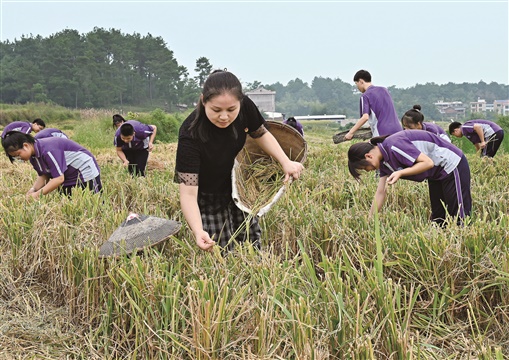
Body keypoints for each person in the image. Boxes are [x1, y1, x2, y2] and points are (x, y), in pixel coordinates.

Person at [174, 70, 304, 252]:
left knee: (251, 240)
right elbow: (187, 193)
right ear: (203, 100)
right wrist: (197, 231)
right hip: (208, 193)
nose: (224, 117)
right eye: (216, 110)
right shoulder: (190, 134)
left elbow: (260, 134)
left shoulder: (246, 107)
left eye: (231, 109)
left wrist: (285, 161)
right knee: (219, 247)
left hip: (240, 184)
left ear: (240, 101)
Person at [347, 130, 471, 227]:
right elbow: (380, 192)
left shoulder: (394, 145)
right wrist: (370, 220)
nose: (368, 170)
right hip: (435, 174)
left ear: (368, 156)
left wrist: (400, 173)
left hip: (451, 163)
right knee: (439, 217)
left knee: (459, 213)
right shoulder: (384, 163)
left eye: (365, 167)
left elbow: (428, 163)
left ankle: (463, 243)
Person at [2, 131, 102, 198]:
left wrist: (37, 195)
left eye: (18, 155)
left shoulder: (48, 150)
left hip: (84, 171)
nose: (19, 159)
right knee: (67, 203)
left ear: (26, 146)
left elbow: (58, 179)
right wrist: (33, 190)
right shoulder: (33, 156)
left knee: (93, 201)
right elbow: (44, 175)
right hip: (68, 175)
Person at [345, 70, 402, 140]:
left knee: (373, 150)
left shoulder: (365, 96)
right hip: (398, 130)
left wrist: (351, 132)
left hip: (382, 132)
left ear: (361, 81)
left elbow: (365, 117)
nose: (357, 87)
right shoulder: (384, 90)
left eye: (356, 83)